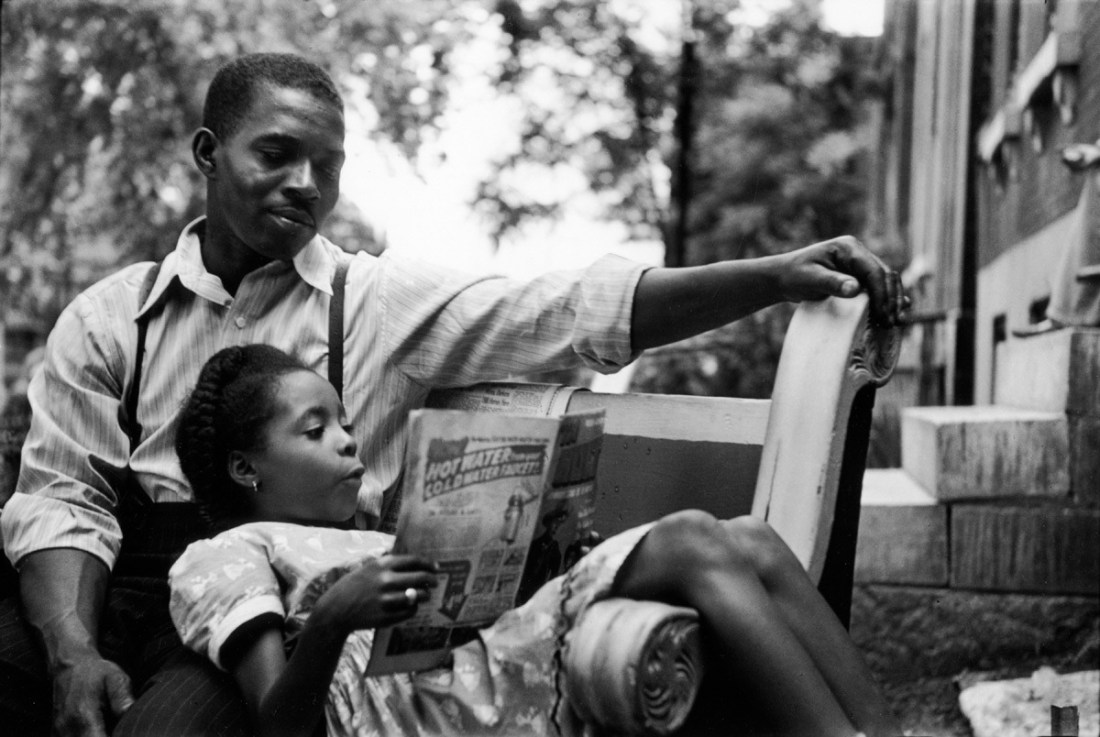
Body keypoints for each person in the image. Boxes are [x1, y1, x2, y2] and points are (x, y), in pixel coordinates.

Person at [0, 52, 907, 737]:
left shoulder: (374, 300)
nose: (305, 185)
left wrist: (773, 276)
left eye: (327, 165)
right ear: (209, 152)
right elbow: (60, 499)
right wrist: (72, 648)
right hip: (120, 583)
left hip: (280, 618)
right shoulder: (111, 317)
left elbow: (568, 308)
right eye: (275, 154)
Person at [169, 343, 901, 737]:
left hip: (493, 652)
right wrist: (333, 616)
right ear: (245, 467)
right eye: (314, 430)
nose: (347, 441)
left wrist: (541, 550)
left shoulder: (364, 535)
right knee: (691, 538)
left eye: (345, 422)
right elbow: (277, 725)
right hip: (431, 711)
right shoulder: (223, 556)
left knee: (753, 539)